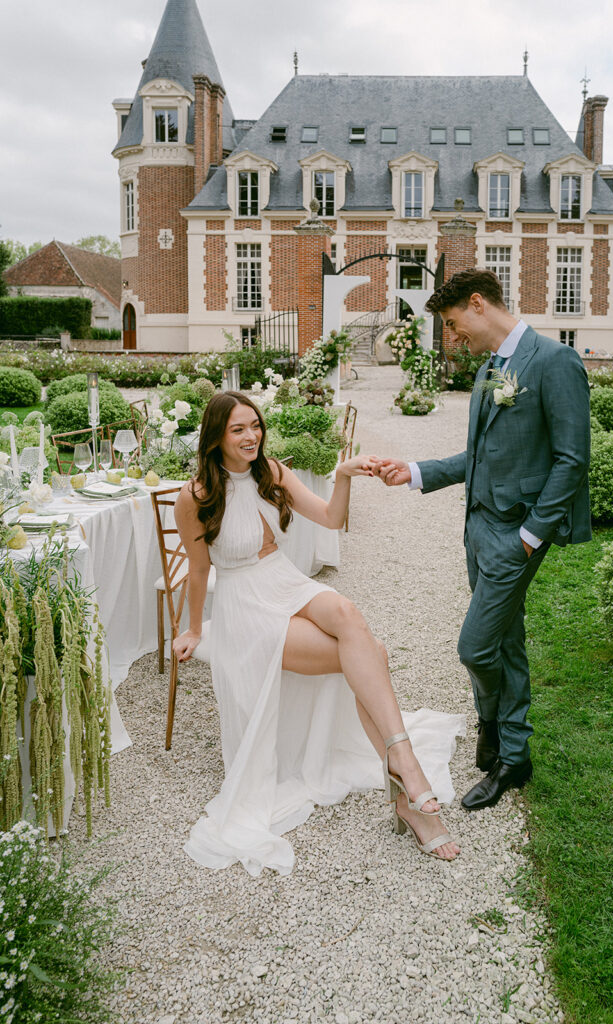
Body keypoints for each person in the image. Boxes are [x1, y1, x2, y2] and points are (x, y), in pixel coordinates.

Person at [173, 391, 464, 874]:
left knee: (349, 616)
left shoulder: (274, 473)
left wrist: (344, 475)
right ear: (216, 437)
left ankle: (402, 763)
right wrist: (193, 628)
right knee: (372, 655)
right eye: (238, 430)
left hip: (284, 581)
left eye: (256, 426)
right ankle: (406, 784)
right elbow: (200, 571)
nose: (251, 437)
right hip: (246, 605)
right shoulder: (197, 496)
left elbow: (330, 517)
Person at [375, 269, 591, 811]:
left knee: (474, 645)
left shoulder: (554, 361)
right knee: (505, 640)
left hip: (515, 535)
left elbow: (572, 459)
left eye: (452, 324)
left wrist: (529, 535)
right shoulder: (492, 367)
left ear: (478, 304)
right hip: (477, 529)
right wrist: (415, 470)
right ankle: (512, 754)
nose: (453, 336)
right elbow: (476, 456)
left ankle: (493, 724)